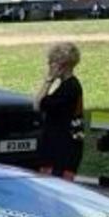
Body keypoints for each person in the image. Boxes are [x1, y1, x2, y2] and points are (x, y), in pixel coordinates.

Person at [34, 42, 84, 180]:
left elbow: (38, 104)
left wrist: (49, 80)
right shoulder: (69, 86)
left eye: (51, 62)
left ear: (62, 65)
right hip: (63, 150)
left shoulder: (68, 89)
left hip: (60, 152)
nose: (49, 66)